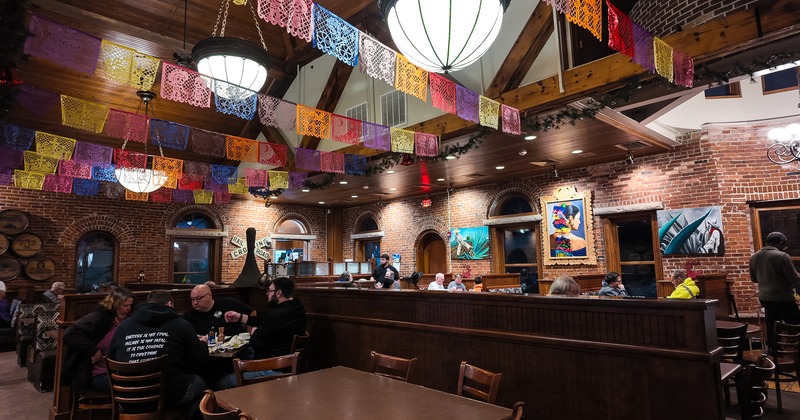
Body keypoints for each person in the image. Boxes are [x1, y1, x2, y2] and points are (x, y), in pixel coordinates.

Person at [108, 290, 208, 415]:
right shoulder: (181, 325)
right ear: (170, 304)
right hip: (166, 398)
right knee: (200, 382)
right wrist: (204, 343)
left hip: (127, 398)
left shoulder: (124, 326)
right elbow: (198, 360)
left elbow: (111, 358)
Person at [219, 277, 306, 389]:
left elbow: (256, 342)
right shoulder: (296, 308)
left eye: (269, 291)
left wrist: (253, 331)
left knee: (222, 383)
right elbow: (265, 322)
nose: (267, 294)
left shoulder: (278, 315)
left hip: (271, 366)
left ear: (278, 293)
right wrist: (240, 317)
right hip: (283, 361)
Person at [62, 287, 134, 392]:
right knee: (131, 386)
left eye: (130, 305)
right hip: (99, 374)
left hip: (120, 370)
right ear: (114, 304)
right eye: (125, 306)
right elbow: (70, 333)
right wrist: (93, 350)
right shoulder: (99, 317)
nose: (128, 309)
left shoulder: (126, 321)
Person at [749, 231, 800, 353]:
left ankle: (774, 353)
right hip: (783, 298)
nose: (785, 248)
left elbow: (754, 279)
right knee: (796, 326)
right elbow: (793, 279)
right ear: (781, 243)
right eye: (784, 245)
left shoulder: (754, 256)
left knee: (772, 326)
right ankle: (795, 354)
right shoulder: (782, 256)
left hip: (765, 298)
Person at [183, 284, 254, 337]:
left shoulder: (228, 304)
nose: (195, 302)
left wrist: (249, 336)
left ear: (209, 295)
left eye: (199, 298)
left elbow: (252, 313)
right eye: (193, 299)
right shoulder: (189, 316)